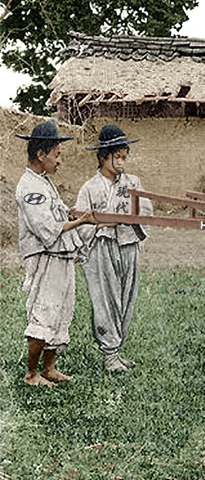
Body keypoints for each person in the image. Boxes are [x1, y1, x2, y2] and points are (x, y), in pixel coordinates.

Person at [15, 119, 97, 387]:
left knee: (62, 311)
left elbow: (58, 214)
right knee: (45, 310)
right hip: (45, 256)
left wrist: (73, 214)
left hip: (60, 255)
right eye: (57, 154)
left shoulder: (44, 182)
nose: (60, 161)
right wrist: (81, 221)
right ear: (41, 154)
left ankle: (49, 367)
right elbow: (46, 228)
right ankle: (31, 373)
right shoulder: (29, 187)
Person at [76, 125, 153, 372]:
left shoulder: (132, 182)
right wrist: (102, 224)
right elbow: (81, 223)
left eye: (124, 157)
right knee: (105, 298)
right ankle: (109, 354)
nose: (121, 162)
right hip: (102, 246)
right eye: (116, 157)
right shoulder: (90, 188)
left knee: (126, 297)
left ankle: (117, 350)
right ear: (103, 157)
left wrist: (133, 220)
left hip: (128, 243)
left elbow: (146, 211)